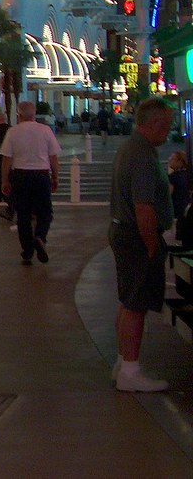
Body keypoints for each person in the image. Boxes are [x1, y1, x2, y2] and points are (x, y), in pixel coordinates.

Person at [108, 97, 175, 392]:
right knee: (137, 304)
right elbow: (143, 206)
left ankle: (124, 362)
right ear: (156, 123)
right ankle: (131, 371)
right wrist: (151, 245)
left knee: (128, 301)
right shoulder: (144, 155)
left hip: (123, 232)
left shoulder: (129, 148)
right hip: (137, 236)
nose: (170, 131)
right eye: (168, 124)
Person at [0, 100, 61, 265]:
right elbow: (53, 157)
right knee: (45, 211)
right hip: (41, 175)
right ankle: (40, 236)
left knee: (23, 215)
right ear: (34, 115)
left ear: (19, 115)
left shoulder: (13, 132)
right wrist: (55, 177)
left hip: (20, 175)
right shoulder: (45, 131)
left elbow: (7, 159)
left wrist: (5, 180)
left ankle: (27, 251)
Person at [167, 150, 190, 230]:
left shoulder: (173, 177)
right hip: (187, 209)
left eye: (173, 158)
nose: (169, 159)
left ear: (180, 162)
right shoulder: (189, 175)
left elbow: (168, 195)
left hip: (177, 211)